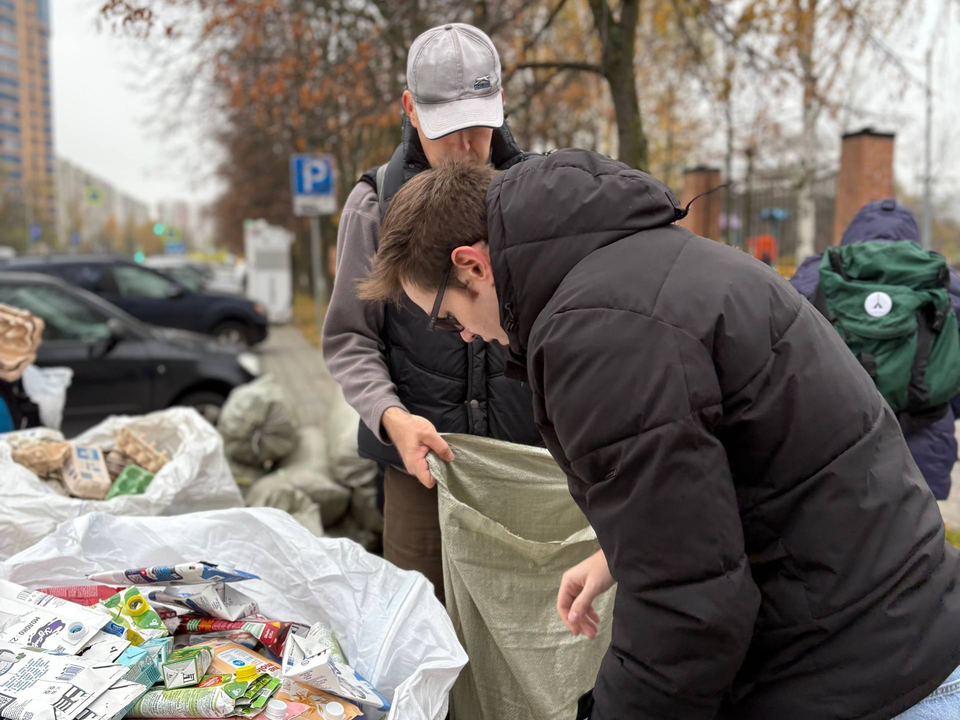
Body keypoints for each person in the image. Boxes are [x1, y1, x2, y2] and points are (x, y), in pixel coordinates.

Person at [356, 150, 960, 719]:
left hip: (863, 668)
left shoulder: (595, 336)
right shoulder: (634, 264)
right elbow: (728, 482)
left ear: (471, 264)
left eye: (443, 316)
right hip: (898, 612)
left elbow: (689, 612)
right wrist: (624, 551)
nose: (459, 335)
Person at [321, 23, 541, 602]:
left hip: (527, 467)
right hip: (422, 468)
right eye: (449, 131)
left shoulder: (538, 195)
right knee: (422, 619)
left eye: (479, 127)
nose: (468, 148)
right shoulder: (375, 203)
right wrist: (391, 418)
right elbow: (349, 339)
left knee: (527, 621)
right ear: (411, 110)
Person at [791, 198, 960, 501]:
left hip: (830, 443)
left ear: (853, 232)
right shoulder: (943, 281)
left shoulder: (814, 276)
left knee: (831, 535)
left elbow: (783, 358)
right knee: (915, 539)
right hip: (922, 445)